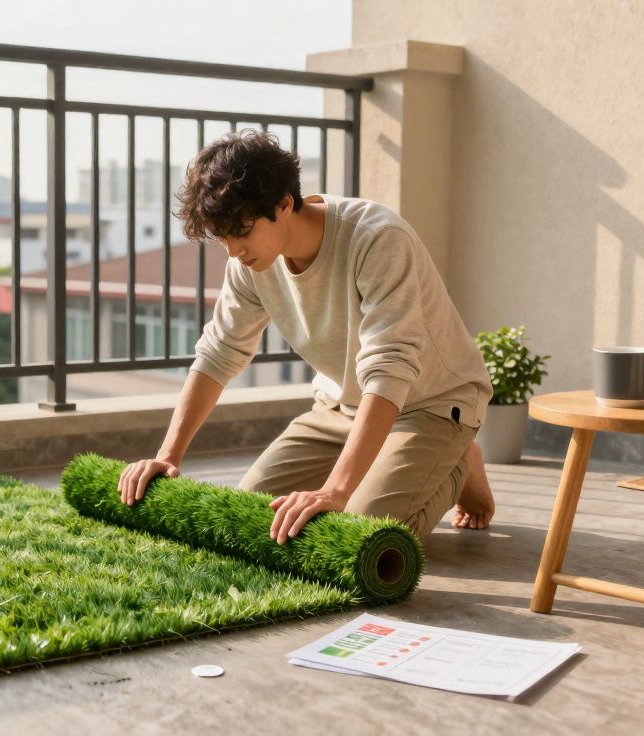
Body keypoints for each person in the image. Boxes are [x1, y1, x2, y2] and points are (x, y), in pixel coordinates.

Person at [116, 129, 496, 544]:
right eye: (222, 238)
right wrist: (168, 456)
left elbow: (390, 367)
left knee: (358, 534)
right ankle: (424, 458)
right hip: (339, 407)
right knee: (251, 519)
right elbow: (220, 351)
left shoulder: (377, 238)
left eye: (241, 233)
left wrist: (336, 490)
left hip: (430, 405)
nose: (232, 251)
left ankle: (456, 458)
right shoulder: (248, 263)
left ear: (283, 204)